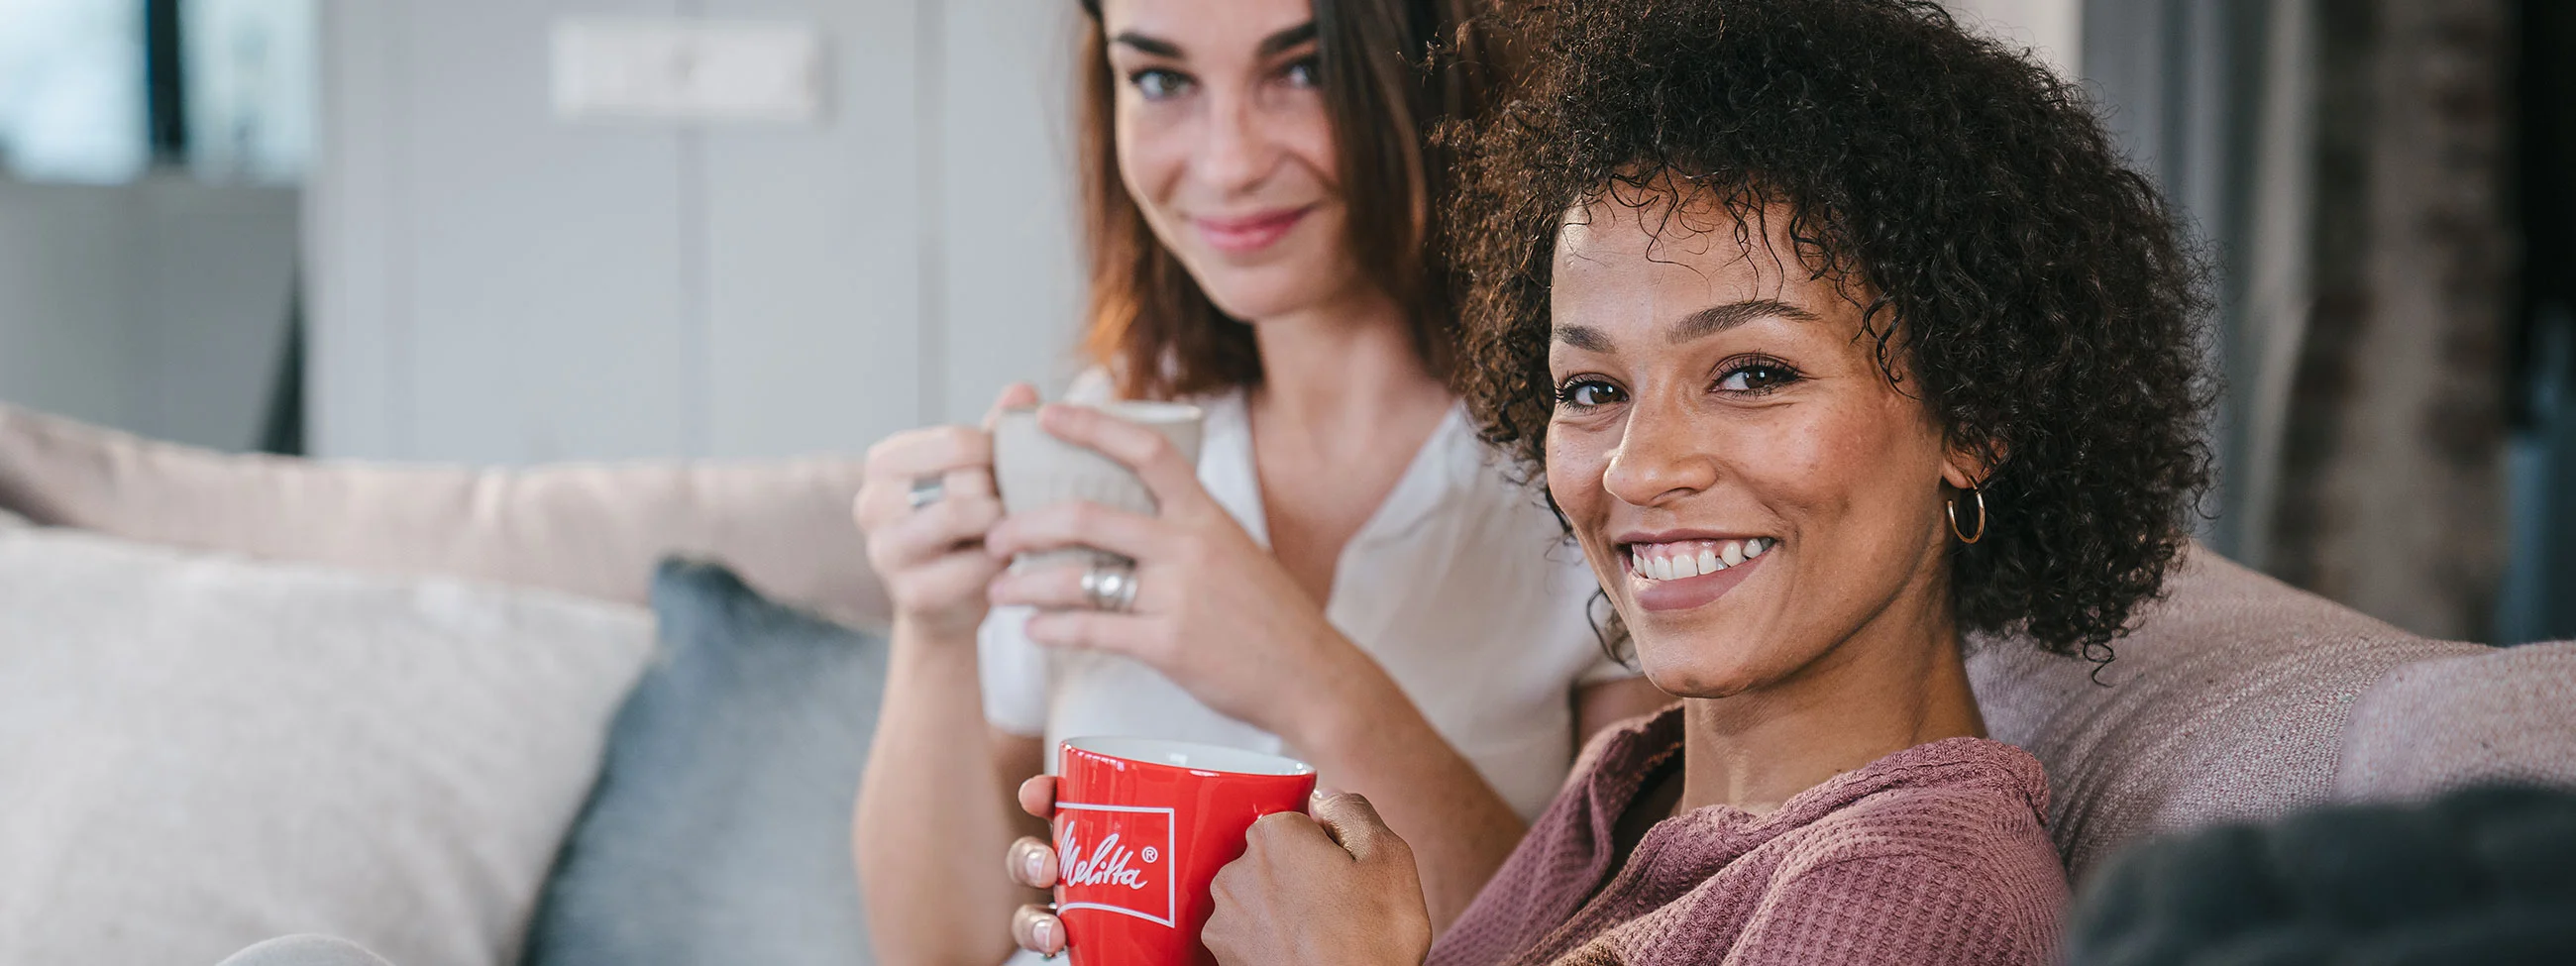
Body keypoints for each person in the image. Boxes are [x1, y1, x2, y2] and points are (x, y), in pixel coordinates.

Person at [1003, 0, 2215, 962]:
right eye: (1591, 390)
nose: (1639, 466)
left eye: (1749, 372)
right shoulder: (1627, 793)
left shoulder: (1902, 888)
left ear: (1976, 419)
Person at [848, 0, 1670, 962]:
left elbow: (1615, 938)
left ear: (1429, 68)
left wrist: (1302, 675)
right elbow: (936, 950)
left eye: (1299, 69)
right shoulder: (1109, 428)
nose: (1226, 162)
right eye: (1159, 79)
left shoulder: (1594, 464)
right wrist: (933, 631)